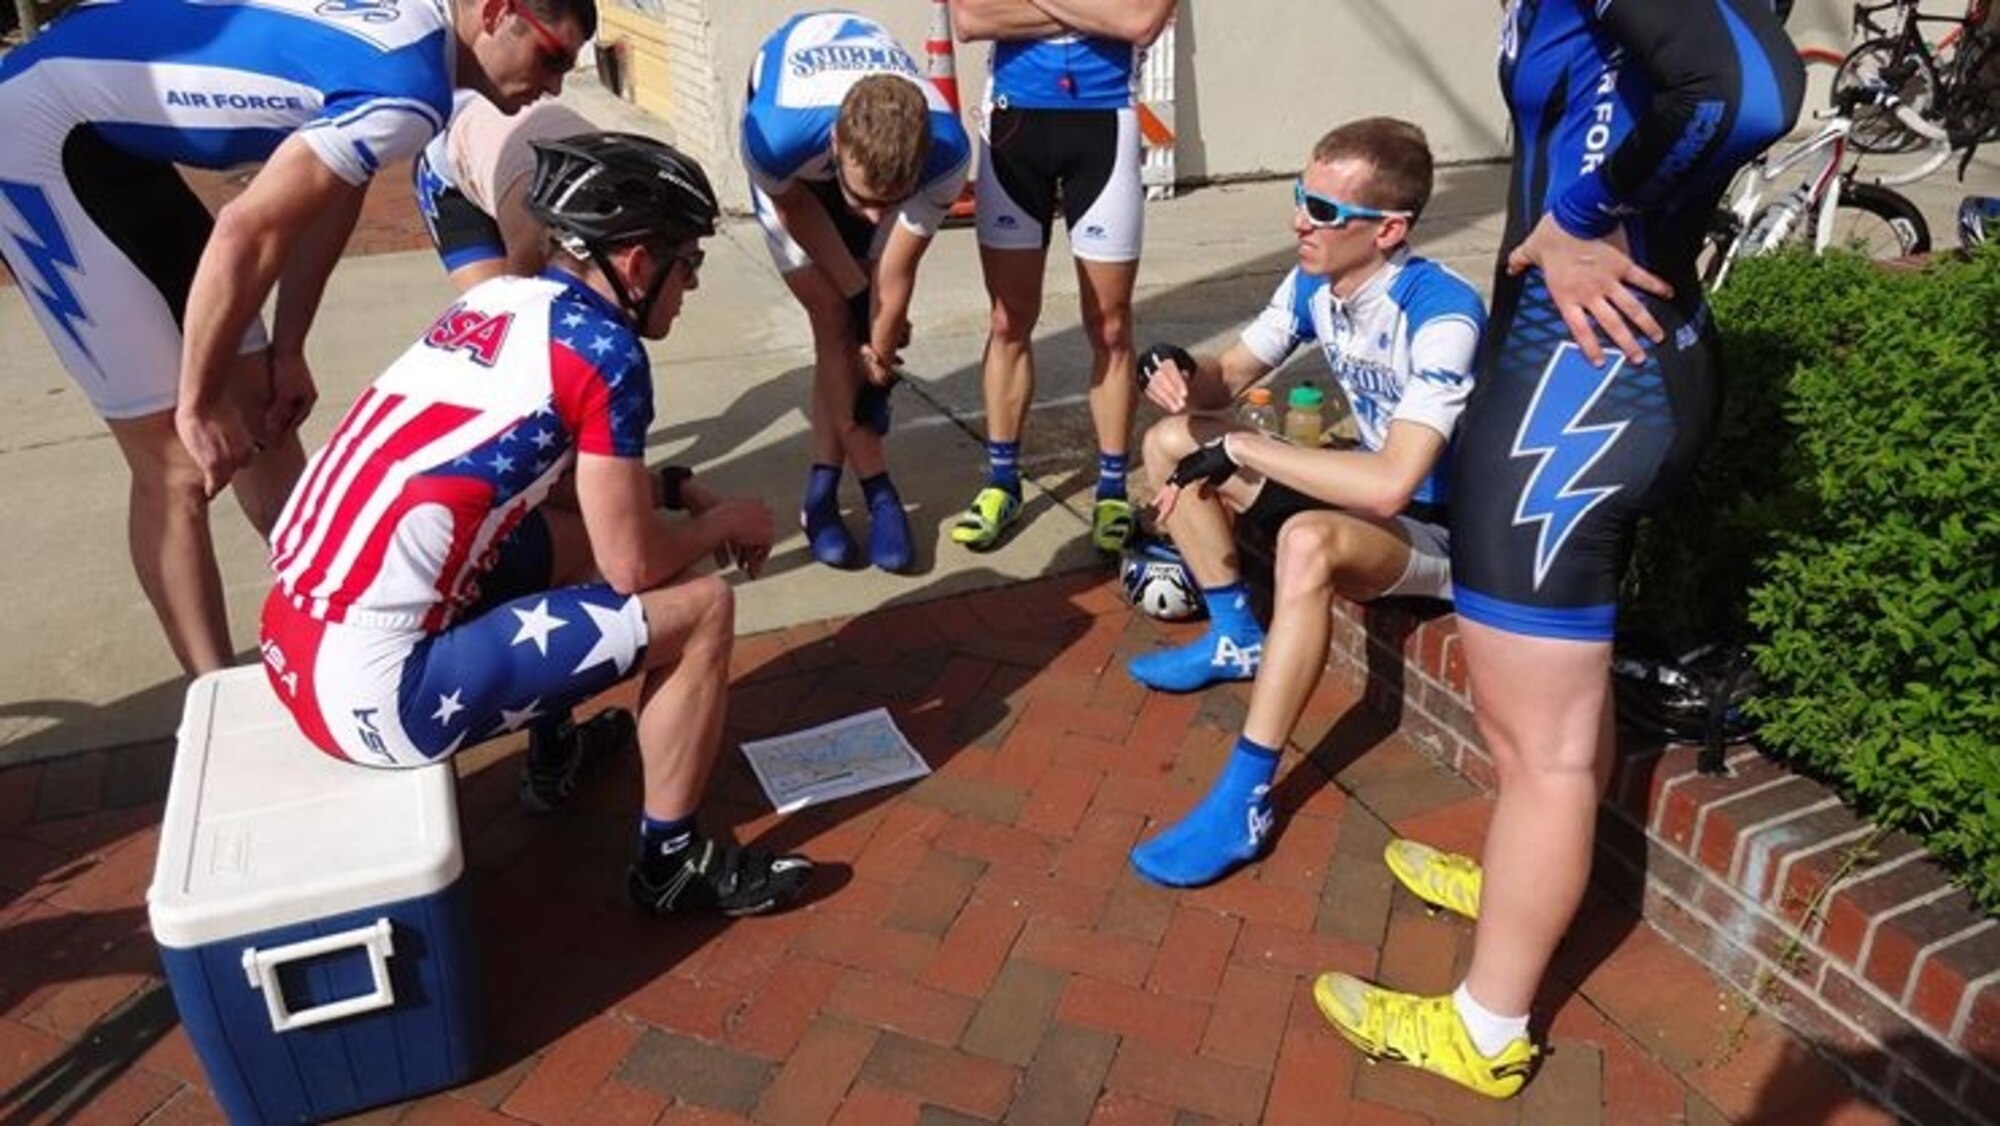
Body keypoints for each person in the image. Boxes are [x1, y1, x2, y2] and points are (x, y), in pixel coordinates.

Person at [1310, 0, 1802, 1101]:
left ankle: (1485, 1028)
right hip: (1578, 376)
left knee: (1543, 751)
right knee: (1542, 732)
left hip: (1579, 397)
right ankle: (1517, 887)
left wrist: (1584, 212)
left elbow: (1744, 92)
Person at [259, 133, 813, 917]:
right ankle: (671, 863)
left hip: (293, 638)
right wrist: (724, 521)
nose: (690, 286)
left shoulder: (493, 302)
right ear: (636, 265)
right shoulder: (608, 353)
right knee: (701, 607)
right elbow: (631, 566)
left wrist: (672, 485)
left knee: (558, 542)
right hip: (380, 692)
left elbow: (555, 493)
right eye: (689, 263)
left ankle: (554, 755)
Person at [0, 0, 592, 677]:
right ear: (496, 13)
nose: (554, 86)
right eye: (551, 56)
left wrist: (287, 350)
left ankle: (327, 625)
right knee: (176, 467)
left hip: (109, 140)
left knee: (265, 419)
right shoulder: (411, 85)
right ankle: (215, 695)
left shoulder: (417, 48)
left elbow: (333, 199)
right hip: (33, 138)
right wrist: (196, 402)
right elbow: (244, 230)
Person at [1120, 118, 1484, 888]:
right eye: (1299, 196)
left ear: (1388, 230)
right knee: (1171, 442)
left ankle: (1244, 800)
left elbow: (1392, 482)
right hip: (1374, 502)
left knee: (1306, 542)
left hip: (1444, 534)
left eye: (1323, 210)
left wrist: (1246, 449)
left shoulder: (1443, 313)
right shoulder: (1314, 283)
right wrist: (1176, 368)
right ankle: (1235, 638)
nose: (1299, 221)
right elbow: (1227, 375)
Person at [740, 10, 972, 573]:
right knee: (833, 319)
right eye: (863, 199)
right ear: (837, 144)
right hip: (795, 174)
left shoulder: (947, 153)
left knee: (866, 329)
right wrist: (856, 301)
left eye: (889, 202)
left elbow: (896, 273)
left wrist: (880, 354)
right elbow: (795, 208)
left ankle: (848, 490)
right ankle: (844, 494)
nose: (872, 216)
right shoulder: (775, 136)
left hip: (860, 147)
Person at [945, 0, 1177, 554]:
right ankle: (1002, 482)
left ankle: (1112, 490)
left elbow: (1141, 23)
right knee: (1008, 319)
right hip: (1013, 122)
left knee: (1111, 326)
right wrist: (1097, 12)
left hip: (1106, 119)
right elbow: (971, 21)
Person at [414, 93, 597, 291]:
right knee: (492, 300)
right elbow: (514, 301)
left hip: (511, 150)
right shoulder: (534, 228)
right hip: (450, 156)